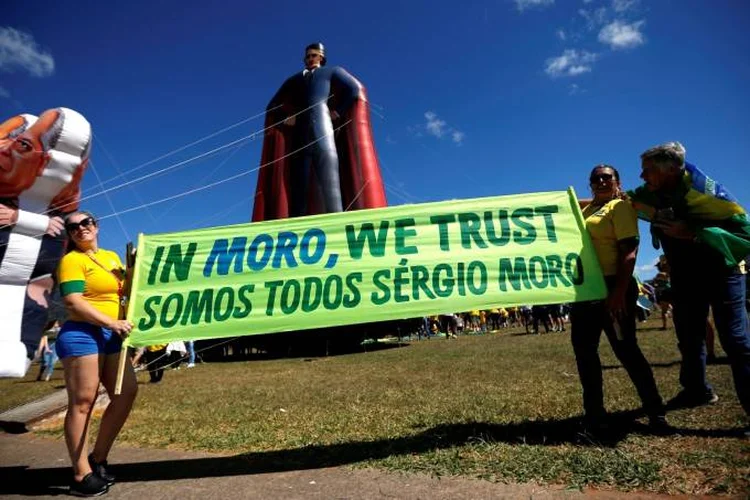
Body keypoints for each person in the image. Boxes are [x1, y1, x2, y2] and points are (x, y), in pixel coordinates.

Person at [628, 142, 750, 431]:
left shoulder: (704, 192)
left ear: (670, 170)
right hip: (684, 276)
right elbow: (625, 200)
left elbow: (744, 231)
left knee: (735, 340)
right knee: (689, 336)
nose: (642, 176)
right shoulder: (654, 194)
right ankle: (697, 389)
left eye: (647, 171)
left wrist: (694, 232)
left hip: (721, 272)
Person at [572, 164, 667, 435]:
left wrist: (617, 295)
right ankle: (594, 414)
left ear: (617, 181)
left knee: (626, 350)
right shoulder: (588, 210)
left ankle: (655, 411)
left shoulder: (621, 208)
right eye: (596, 178)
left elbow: (629, 252)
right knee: (584, 353)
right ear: (590, 183)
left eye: (607, 177)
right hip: (587, 289)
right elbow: (570, 205)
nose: (601, 181)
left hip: (615, 286)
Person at [0, 109, 91, 378]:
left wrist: (22, 218)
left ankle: (22, 348)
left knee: (36, 288)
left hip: (33, 272)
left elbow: (58, 227)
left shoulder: (59, 214)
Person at [252, 42, 387, 221]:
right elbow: (272, 106)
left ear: (321, 57)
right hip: (300, 136)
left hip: (323, 129)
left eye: (313, 55)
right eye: (307, 56)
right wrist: (285, 119)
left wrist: (338, 111)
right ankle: (296, 229)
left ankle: (337, 223)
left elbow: (354, 89)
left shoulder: (331, 72)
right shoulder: (294, 80)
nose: (309, 59)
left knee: (330, 181)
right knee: (299, 186)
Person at [56, 211, 136, 496]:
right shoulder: (71, 261)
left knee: (126, 392)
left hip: (113, 334)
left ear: (96, 226)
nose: (80, 228)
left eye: (85, 222)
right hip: (82, 334)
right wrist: (110, 322)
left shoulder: (112, 257)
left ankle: (97, 458)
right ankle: (80, 475)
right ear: (69, 234)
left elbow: (128, 289)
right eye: (72, 227)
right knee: (83, 403)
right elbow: (73, 303)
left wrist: (135, 266)